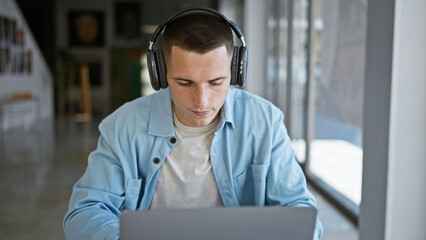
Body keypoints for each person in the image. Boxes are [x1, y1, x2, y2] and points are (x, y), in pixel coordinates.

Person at [63, 8, 323, 240]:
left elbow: (300, 212)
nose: (202, 101)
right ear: (160, 74)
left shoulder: (266, 122)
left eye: (216, 82)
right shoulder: (123, 126)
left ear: (235, 71)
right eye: (185, 83)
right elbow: (84, 213)